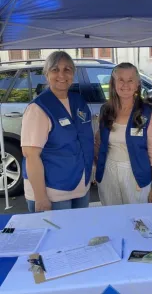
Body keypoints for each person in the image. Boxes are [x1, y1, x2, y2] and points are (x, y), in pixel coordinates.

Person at [21, 51, 94, 212]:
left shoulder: (78, 102)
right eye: (55, 70)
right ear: (46, 74)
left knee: (79, 234)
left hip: (80, 187)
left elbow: (86, 141)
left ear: (73, 74)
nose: (61, 74)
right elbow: (31, 156)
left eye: (67, 69)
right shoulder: (38, 108)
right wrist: (40, 198)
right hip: (52, 191)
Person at [95, 63, 152, 205]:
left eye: (130, 80)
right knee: (112, 218)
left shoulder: (147, 112)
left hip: (136, 175)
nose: (125, 84)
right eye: (121, 80)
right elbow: (99, 143)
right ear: (113, 83)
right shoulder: (105, 110)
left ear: (137, 83)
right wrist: (96, 167)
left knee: (138, 221)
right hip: (108, 173)